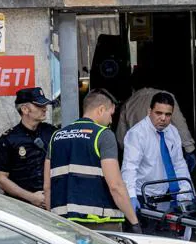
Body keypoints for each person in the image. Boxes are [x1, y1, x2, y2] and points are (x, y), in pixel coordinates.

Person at [44, 89, 140, 233]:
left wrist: (53, 218)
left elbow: (47, 186)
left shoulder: (56, 137)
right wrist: (134, 222)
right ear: (101, 110)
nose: (111, 120)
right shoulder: (103, 135)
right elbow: (115, 186)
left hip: (63, 224)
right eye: (111, 114)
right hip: (100, 224)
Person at [115, 68, 196, 172]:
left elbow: (121, 138)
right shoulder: (166, 98)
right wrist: (189, 149)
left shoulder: (128, 103)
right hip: (165, 155)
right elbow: (180, 125)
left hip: (140, 158)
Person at [122, 92, 193, 211]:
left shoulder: (173, 131)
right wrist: (130, 196)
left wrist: (185, 191)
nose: (163, 118)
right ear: (149, 111)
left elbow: (179, 164)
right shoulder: (137, 134)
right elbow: (129, 168)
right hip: (143, 195)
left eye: (168, 114)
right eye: (158, 113)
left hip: (167, 195)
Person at [0, 87, 56, 208]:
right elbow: (0, 178)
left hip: (50, 204)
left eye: (45, 105)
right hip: (20, 207)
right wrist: (31, 197)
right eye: (39, 105)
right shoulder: (9, 139)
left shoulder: (52, 132)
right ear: (25, 109)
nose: (45, 109)